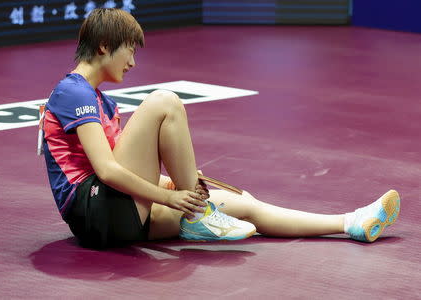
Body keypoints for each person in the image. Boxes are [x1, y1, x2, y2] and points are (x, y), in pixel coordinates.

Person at [42, 8, 400, 249]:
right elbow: (106, 171)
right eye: (129, 51)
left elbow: (123, 169)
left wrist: (173, 182)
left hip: (124, 215)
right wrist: (171, 196)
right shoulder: (72, 91)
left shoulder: (105, 103)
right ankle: (198, 216)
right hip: (96, 216)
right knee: (164, 101)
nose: (134, 62)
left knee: (244, 205)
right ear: (104, 46)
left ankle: (351, 222)